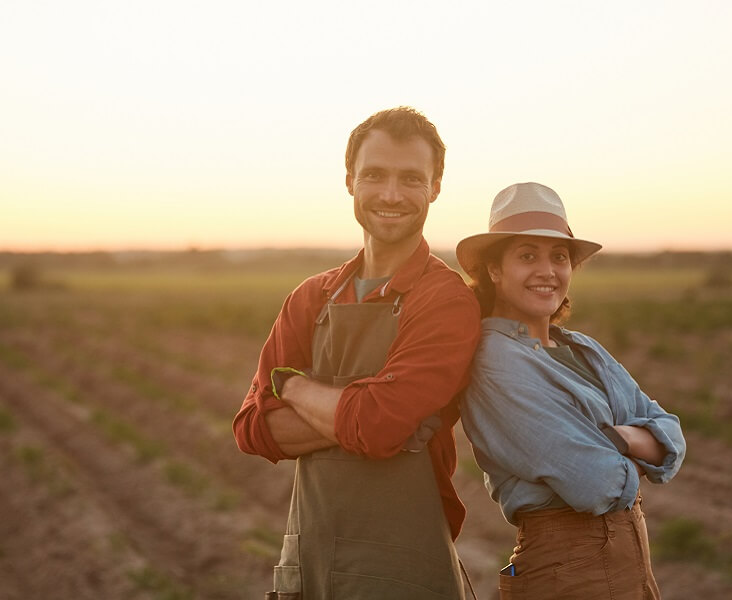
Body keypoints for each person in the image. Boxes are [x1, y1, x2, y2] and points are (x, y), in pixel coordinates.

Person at [232, 106, 481, 599]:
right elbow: (253, 430)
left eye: (411, 179)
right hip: (307, 567)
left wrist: (295, 385)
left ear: (435, 187)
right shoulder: (310, 298)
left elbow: (378, 424)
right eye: (375, 175)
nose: (391, 194)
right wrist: (365, 414)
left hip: (401, 573)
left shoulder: (445, 300)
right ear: (350, 181)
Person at [456, 182, 686, 600]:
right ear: (494, 270)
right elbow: (597, 483)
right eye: (528, 255)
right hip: (565, 569)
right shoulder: (494, 358)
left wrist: (619, 441)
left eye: (558, 257)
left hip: (631, 561)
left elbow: (672, 434)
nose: (547, 270)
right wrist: (638, 445)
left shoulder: (583, 348)